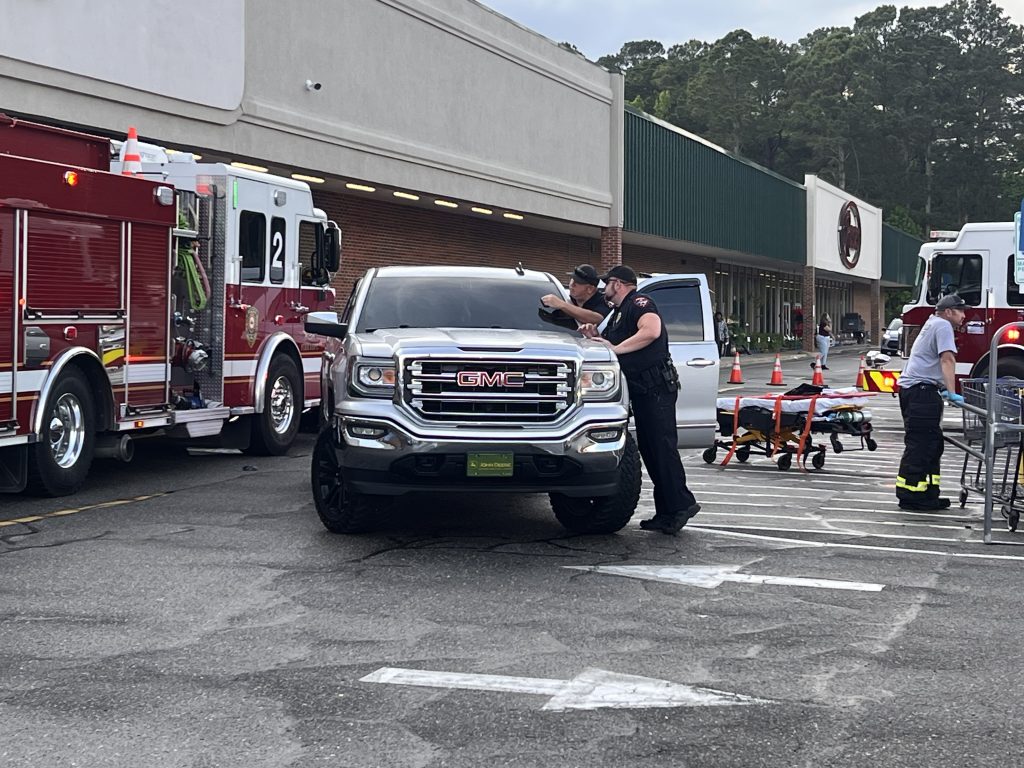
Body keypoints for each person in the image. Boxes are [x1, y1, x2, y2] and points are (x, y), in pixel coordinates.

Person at [579, 265, 700, 534]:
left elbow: (652, 330)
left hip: (655, 387)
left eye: (607, 282)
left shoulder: (639, 302)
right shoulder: (619, 312)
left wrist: (616, 349)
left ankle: (681, 505)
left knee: (661, 448)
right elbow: (614, 345)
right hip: (643, 390)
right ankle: (667, 511)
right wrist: (595, 338)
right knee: (651, 450)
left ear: (619, 283)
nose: (604, 288)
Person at [894, 293, 966, 511]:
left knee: (932, 445)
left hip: (918, 391)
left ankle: (927, 493)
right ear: (948, 312)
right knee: (922, 445)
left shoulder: (932, 323)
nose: (964, 316)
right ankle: (910, 495)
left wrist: (940, 386)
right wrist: (952, 392)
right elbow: (947, 359)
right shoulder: (943, 326)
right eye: (961, 311)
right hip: (921, 392)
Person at [540, 264, 611, 325]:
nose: (572, 284)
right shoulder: (565, 297)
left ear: (590, 289)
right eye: (572, 279)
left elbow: (597, 319)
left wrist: (563, 305)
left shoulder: (603, 300)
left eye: (577, 282)